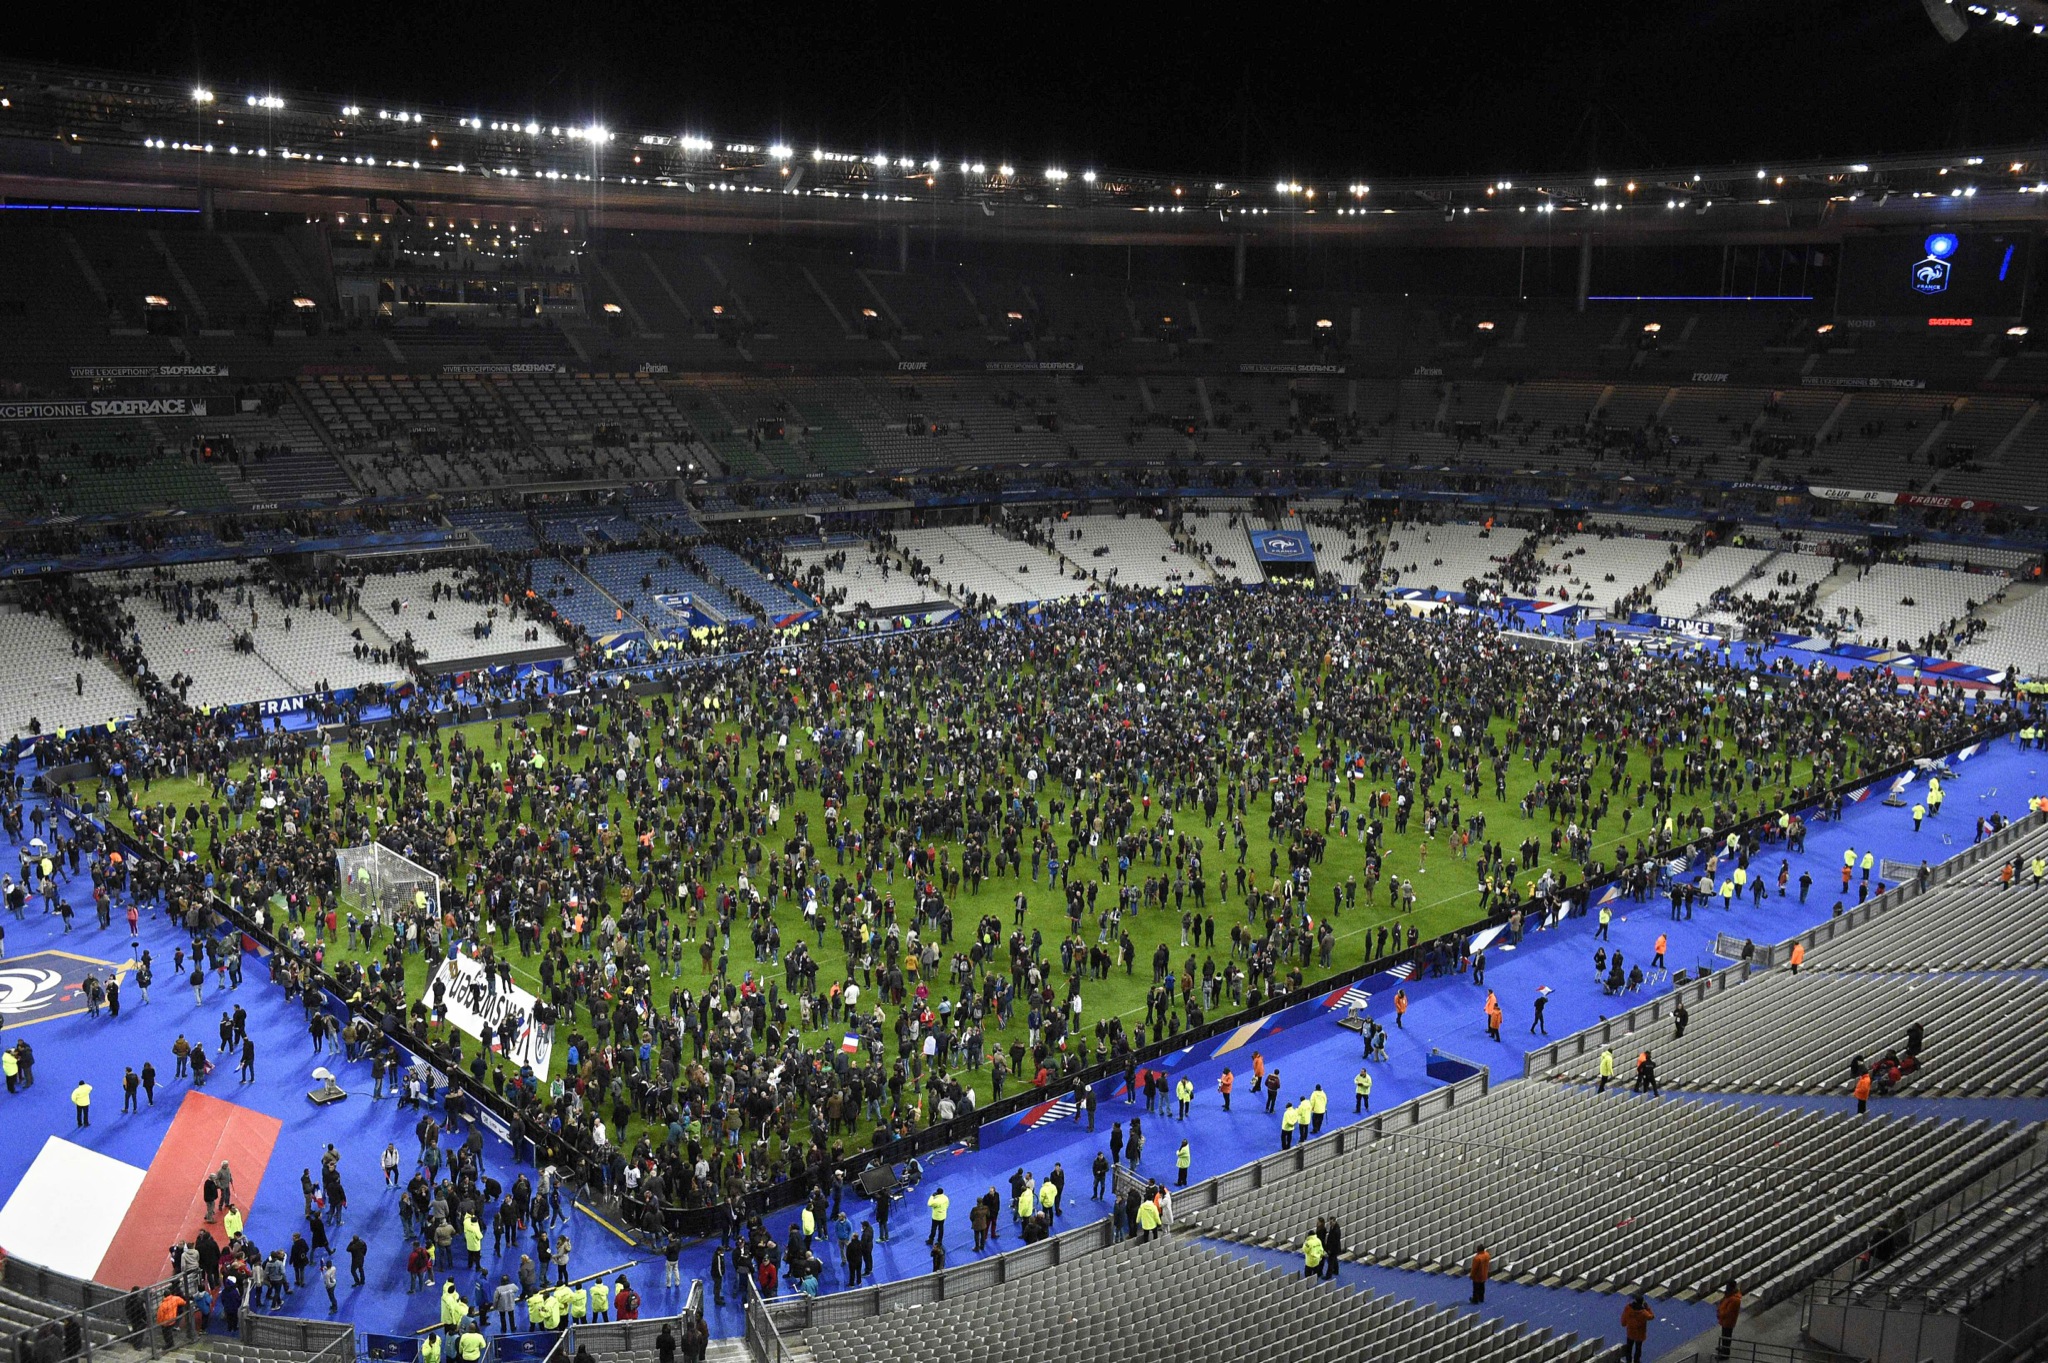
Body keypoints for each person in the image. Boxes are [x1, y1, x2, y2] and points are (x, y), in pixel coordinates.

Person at [1620, 1293, 1656, 1363]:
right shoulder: (1644, 1312)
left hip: (1630, 1333)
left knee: (1629, 1349)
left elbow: (1623, 1322)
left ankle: (1629, 1361)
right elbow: (1651, 1316)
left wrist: (1624, 1324)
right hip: (1640, 1334)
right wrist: (1647, 1308)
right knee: (1638, 1349)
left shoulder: (1628, 1308)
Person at [1715, 1280, 1743, 1360]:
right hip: (1725, 1320)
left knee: (1727, 1337)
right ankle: (1724, 1348)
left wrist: (1720, 1313)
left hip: (1728, 1321)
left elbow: (1728, 1312)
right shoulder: (1729, 1295)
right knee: (1724, 1336)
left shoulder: (1735, 1299)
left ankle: (1725, 1354)